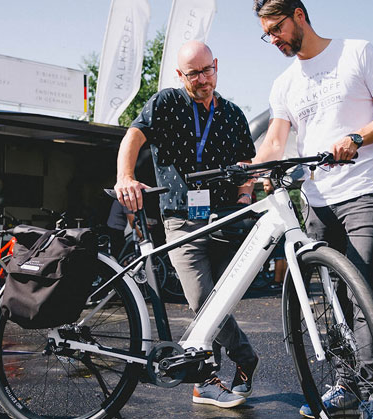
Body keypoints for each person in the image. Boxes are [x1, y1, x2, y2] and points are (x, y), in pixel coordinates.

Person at [251, 1, 373, 417]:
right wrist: (250, 169)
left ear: (299, 15)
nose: (274, 40)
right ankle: (346, 385)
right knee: (330, 299)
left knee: (361, 293)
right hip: (318, 201)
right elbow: (274, 141)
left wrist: (357, 136)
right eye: (267, 34)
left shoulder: (357, 52)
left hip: (363, 191)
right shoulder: (284, 83)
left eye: (277, 29)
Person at [114, 41, 259, 408]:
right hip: (181, 217)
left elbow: (247, 162)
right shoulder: (166, 103)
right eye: (192, 73)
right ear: (180, 75)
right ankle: (238, 361)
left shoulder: (233, 114)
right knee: (202, 300)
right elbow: (133, 135)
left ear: (216, 65)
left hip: (227, 217)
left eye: (207, 70)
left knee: (220, 302)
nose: (202, 79)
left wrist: (245, 197)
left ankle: (208, 379)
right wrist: (125, 176)